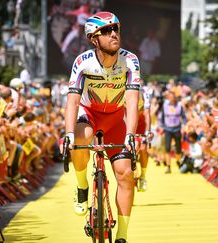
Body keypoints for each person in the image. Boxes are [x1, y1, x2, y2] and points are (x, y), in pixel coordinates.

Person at [64, 12, 140, 243]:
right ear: (93, 39)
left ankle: (122, 235)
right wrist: (68, 133)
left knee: (126, 174)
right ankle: (82, 187)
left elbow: (132, 101)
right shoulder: (82, 62)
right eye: (106, 31)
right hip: (90, 115)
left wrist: (130, 135)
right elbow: (73, 101)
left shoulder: (130, 61)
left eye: (115, 28)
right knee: (81, 138)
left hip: (116, 119)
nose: (114, 34)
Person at [135, 83, 152, 192]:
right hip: (128, 126)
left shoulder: (144, 95)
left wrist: (148, 131)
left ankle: (143, 175)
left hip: (141, 127)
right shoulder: (123, 93)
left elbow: (147, 115)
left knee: (143, 148)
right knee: (133, 146)